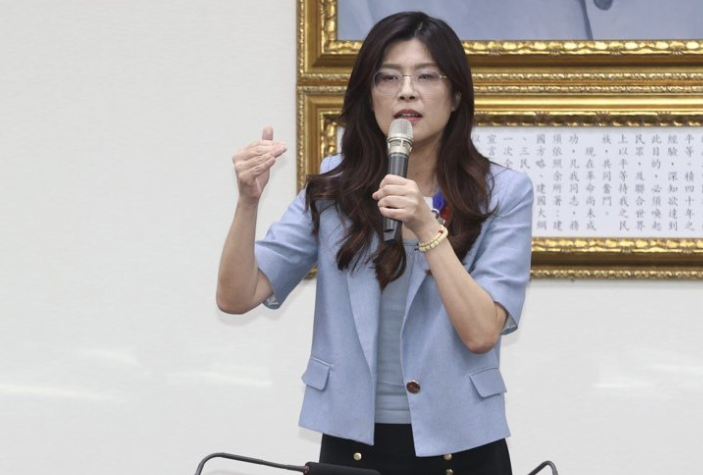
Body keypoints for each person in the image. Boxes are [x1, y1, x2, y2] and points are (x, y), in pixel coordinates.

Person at [217, 11, 533, 475]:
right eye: (388, 77)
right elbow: (236, 296)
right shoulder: (335, 187)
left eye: (426, 76)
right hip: (353, 445)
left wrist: (427, 228)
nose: (407, 91)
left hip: (461, 446)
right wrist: (248, 202)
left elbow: (481, 332)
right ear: (369, 96)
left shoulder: (503, 193)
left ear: (456, 96)